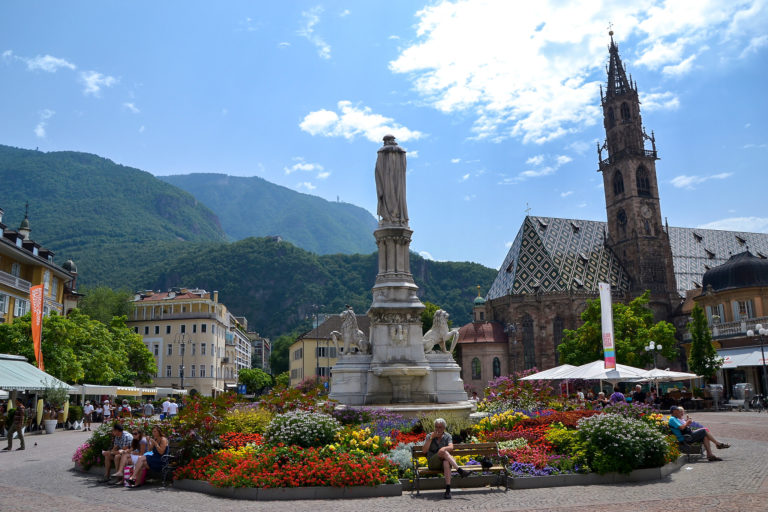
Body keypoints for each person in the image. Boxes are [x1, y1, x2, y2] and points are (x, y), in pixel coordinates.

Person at [421, 418, 469, 499]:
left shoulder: (447, 436)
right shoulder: (429, 436)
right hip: (433, 463)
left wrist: (444, 449)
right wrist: (431, 438)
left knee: (446, 462)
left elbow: (451, 447)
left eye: (440, 427)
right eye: (436, 427)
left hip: (443, 464)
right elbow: (424, 451)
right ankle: (459, 470)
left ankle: (448, 490)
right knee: (442, 451)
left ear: (444, 428)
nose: (438, 429)